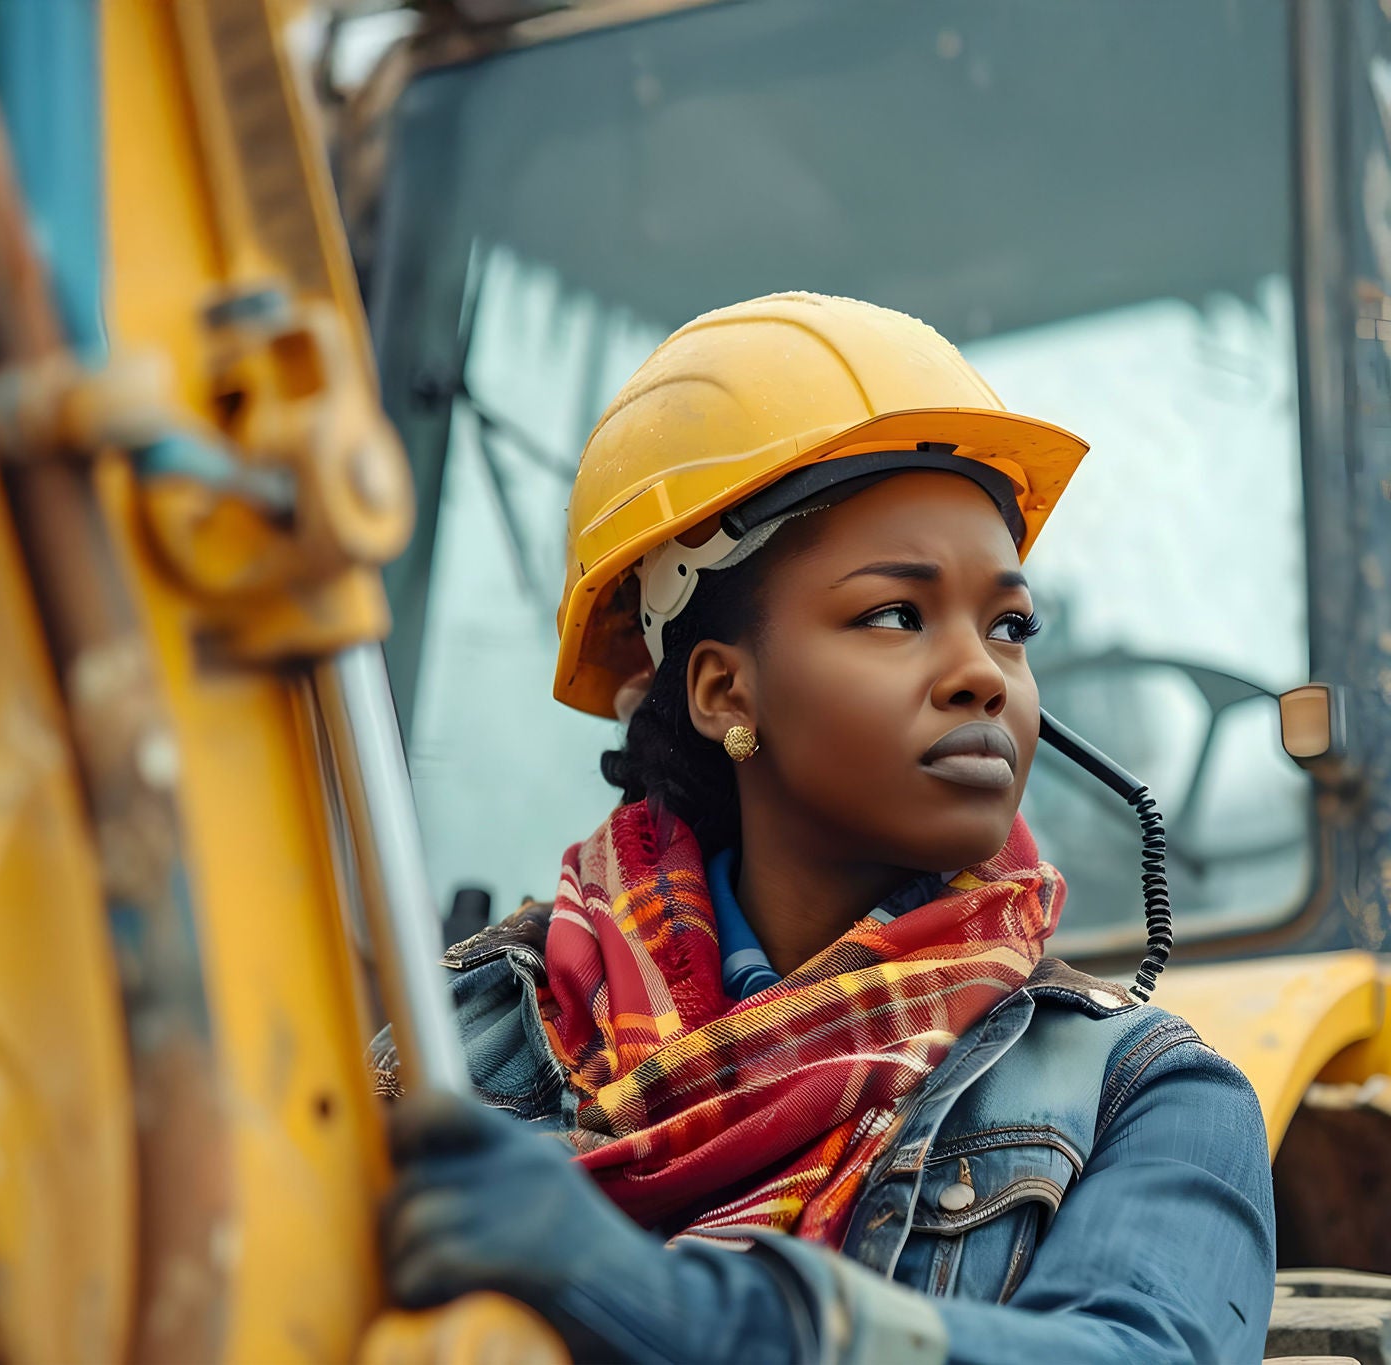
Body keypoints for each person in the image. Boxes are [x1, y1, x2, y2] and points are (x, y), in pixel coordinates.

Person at [377, 294, 1276, 1363]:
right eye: (895, 615)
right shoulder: (456, 1037)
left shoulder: (1146, 1096)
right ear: (721, 691)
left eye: (1010, 627)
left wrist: (672, 1312)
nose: (981, 674)